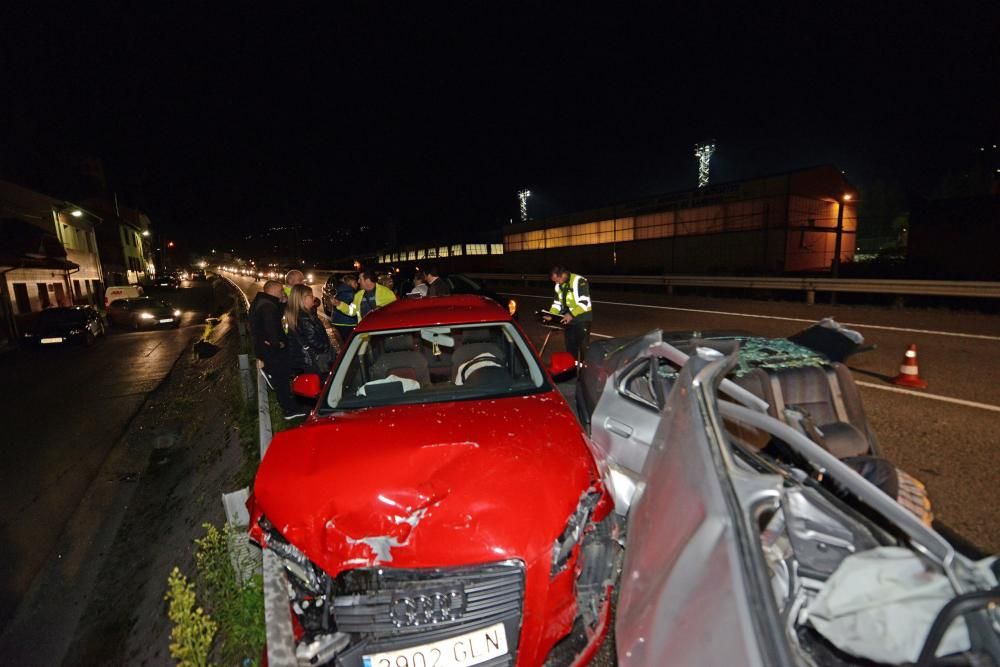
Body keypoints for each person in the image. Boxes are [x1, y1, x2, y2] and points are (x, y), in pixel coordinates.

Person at [249, 280, 304, 419]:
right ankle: (290, 411)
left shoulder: (263, 302)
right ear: (272, 290)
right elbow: (271, 329)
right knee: (282, 381)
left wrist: (283, 302)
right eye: (281, 291)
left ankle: (290, 403)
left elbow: (275, 316)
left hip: (265, 350)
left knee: (283, 377)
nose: (283, 293)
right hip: (273, 352)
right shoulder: (268, 308)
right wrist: (278, 344)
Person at [549, 265, 593, 361]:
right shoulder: (558, 286)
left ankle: (584, 370)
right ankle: (572, 369)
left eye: (557, 280)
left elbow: (584, 303)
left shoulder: (579, 281)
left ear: (562, 275)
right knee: (570, 347)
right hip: (568, 319)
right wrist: (551, 315)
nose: (556, 283)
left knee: (583, 348)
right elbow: (557, 303)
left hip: (582, 318)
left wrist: (571, 314)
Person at [286, 283, 332, 374]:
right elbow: (313, 340)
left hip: (305, 360)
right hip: (315, 360)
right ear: (302, 299)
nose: (314, 298)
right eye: (311, 296)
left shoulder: (298, 314)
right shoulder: (304, 318)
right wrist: (327, 347)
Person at [333, 269, 397, 324]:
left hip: (379, 333)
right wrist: (339, 304)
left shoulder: (386, 293)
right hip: (364, 333)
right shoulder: (358, 295)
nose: (358, 281)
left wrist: (381, 309)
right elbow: (352, 311)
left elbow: (395, 312)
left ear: (367, 281)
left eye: (360, 279)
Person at [330, 273, 359, 345]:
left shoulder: (339, 291)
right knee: (351, 343)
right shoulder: (351, 293)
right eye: (355, 283)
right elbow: (353, 309)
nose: (357, 285)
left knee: (345, 342)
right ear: (351, 283)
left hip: (337, 321)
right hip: (348, 322)